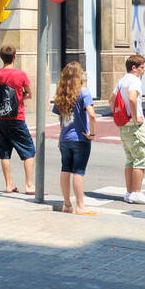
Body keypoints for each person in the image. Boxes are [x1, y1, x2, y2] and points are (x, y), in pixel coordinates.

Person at [0, 45, 36, 194]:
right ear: (14, 57)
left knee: (4, 152)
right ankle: (29, 185)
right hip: (17, 117)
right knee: (28, 150)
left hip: (2, 118)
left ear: (1, 57)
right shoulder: (20, 74)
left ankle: (9, 184)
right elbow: (30, 94)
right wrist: (20, 96)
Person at [52, 61, 96, 212]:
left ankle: (67, 205)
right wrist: (92, 133)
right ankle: (80, 205)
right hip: (80, 138)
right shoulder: (83, 92)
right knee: (78, 171)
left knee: (65, 170)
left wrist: (60, 137)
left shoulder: (61, 94)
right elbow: (92, 114)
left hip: (65, 138)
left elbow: (60, 119)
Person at [113, 54, 145, 204]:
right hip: (134, 125)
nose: (144, 70)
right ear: (134, 68)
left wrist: (120, 116)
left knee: (130, 158)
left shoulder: (121, 80)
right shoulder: (134, 80)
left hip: (123, 124)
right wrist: (135, 117)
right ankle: (136, 192)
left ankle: (129, 192)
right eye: (142, 67)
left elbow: (112, 100)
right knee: (141, 157)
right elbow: (132, 98)